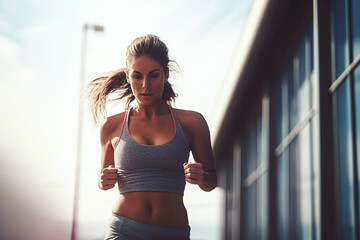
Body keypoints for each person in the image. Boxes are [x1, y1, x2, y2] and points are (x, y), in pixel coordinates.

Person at [86, 34, 217, 240]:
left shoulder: (192, 123)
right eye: (137, 76)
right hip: (123, 231)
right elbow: (104, 180)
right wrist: (103, 181)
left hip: (172, 234)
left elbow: (211, 182)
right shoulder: (111, 126)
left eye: (153, 76)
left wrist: (203, 177)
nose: (145, 85)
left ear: (165, 75)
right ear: (128, 77)